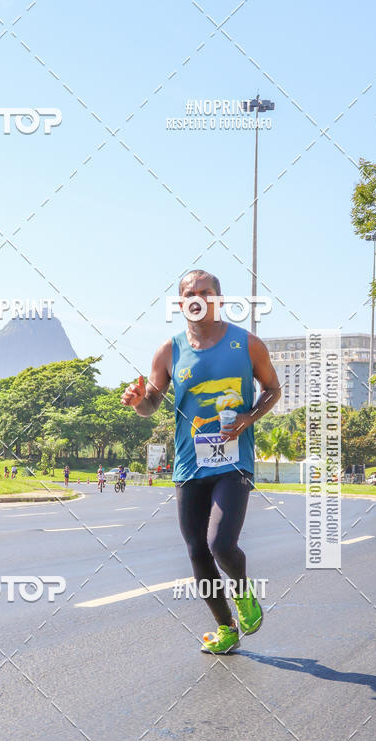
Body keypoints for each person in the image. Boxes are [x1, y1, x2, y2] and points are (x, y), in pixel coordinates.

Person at [121, 269, 281, 654]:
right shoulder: (169, 351)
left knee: (221, 544)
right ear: (180, 303)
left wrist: (248, 418)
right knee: (197, 551)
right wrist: (138, 402)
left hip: (233, 463)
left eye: (205, 292)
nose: (197, 298)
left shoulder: (248, 345)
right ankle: (226, 628)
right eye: (189, 293)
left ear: (218, 299)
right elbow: (152, 403)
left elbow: (273, 390)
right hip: (189, 465)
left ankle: (243, 595)